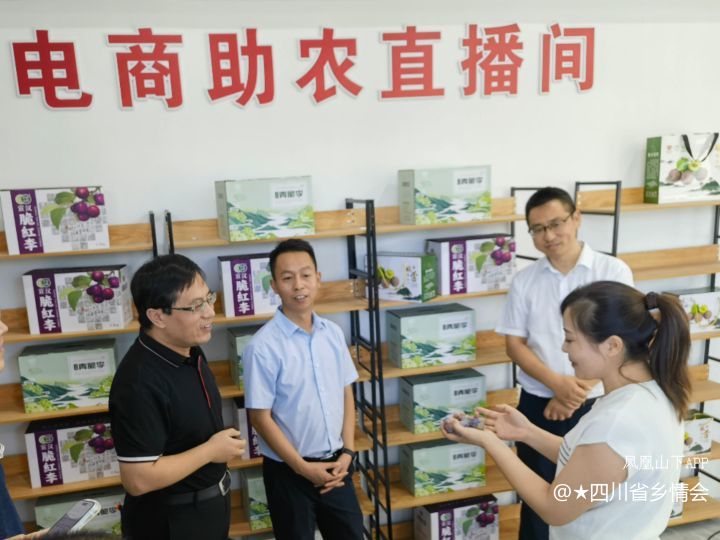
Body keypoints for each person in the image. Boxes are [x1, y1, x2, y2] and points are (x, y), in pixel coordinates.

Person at [445, 281, 689, 539]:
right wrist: (526, 432)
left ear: (612, 346)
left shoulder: (618, 419)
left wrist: (491, 444)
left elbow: (554, 507)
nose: (564, 347)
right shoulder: (651, 393)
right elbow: (591, 462)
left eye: (571, 338)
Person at [495, 187, 633, 539]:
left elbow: (622, 341)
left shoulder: (612, 270)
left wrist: (573, 394)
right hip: (538, 405)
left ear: (576, 219)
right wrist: (558, 386)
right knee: (537, 496)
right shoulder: (524, 281)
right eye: (538, 229)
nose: (549, 235)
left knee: (595, 497)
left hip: (599, 403)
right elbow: (514, 345)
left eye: (556, 224)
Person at [109, 254, 245, 540]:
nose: (209, 312)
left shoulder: (189, 348)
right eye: (196, 306)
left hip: (208, 510)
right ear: (158, 316)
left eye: (209, 299)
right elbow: (138, 479)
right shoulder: (138, 382)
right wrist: (211, 451)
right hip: (171, 523)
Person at [244, 239, 363, 540]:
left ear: (318, 278)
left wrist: (348, 452)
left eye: (306, 275)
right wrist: (302, 468)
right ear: (274, 285)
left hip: (337, 465)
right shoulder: (262, 347)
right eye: (287, 278)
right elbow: (260, 418)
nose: (299, 285)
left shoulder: (333, 333)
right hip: (288, 473)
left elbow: (346, 393)